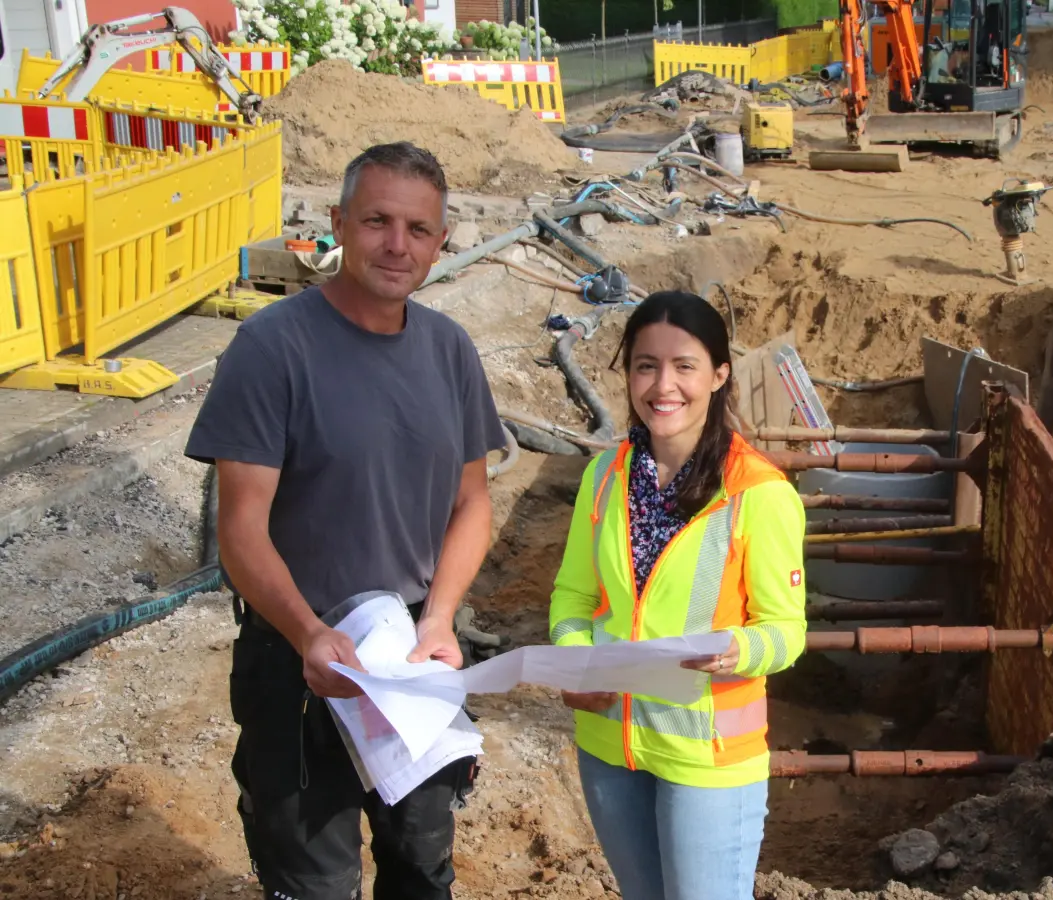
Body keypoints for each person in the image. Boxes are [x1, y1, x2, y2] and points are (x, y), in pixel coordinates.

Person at [185, 141, 506, 900]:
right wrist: (307, 634)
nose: (398, 245)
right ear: (337, 225)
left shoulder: (449, 351)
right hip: (302, 667)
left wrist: (442, 623)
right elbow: (241, 529)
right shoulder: (272, 348)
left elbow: (472, 503)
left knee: (422, 868)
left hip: (411, 662)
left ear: (440, 240)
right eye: (377, 221)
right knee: (312, 881)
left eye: (419, 229)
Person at [547, 291, 808, 900]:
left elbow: (785, 632)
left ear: (719, 376)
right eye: (645, 365)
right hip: (610, 745)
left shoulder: (759, 494)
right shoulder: (604, 475)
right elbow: (572, 596)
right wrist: (573, 653)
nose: (663, 385)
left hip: (708, 761)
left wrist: (736, 649)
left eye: (684, 365)